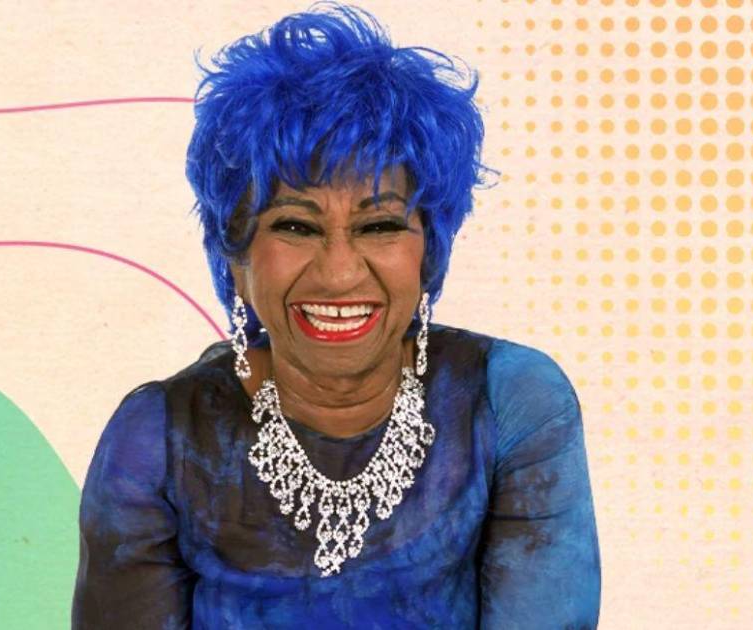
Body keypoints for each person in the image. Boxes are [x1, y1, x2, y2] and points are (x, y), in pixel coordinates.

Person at [72, 3, 601, 628]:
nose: (339, 273)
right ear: (235, 255)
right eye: (296, 226)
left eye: (380, 226)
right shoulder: (157, 438)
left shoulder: (510, 402)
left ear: (430, 251)